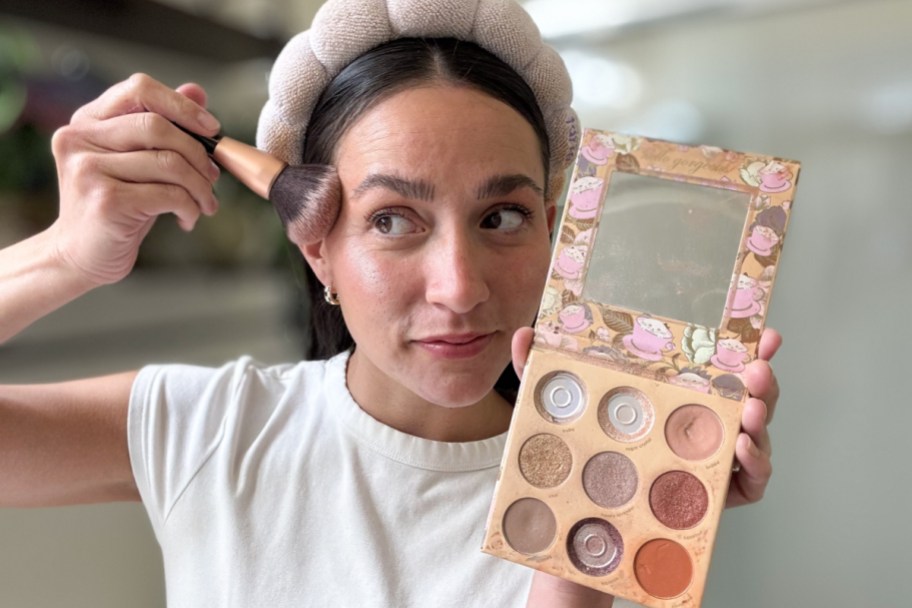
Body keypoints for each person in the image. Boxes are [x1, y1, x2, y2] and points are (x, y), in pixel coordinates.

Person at [0, 1, 780, 606]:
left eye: (501, 217)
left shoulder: (620, 473)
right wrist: (61, 257)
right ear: (317, 247)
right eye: (392, 221)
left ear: (553, 231)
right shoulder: (213, 431)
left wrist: (605, 520)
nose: (460, 286)